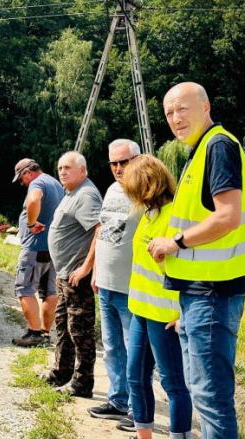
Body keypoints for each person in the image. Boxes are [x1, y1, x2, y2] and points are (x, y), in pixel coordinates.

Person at [148, 82, 245, 439]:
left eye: (182, 108)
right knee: (205, 394)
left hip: (212, 294)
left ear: (205, 107)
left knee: (211, 397)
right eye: (169, 112)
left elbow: (227, 217)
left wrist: (175, 242)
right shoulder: (200, 150)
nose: (175, 118)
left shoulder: (218, 146)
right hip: (198, 294)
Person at [123, 155, 193, 439]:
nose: (132, 196)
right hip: (141, 310)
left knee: (173, 384)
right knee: (136, 378)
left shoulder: (174, 216)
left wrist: (183, 314)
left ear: (147, 186)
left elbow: (188, 268)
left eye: (134, 189)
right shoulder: (149, 214)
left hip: (165, 315)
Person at [87, 139, 142, 429]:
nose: (119, 168)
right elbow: (102, 231)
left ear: (138, 159)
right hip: (106, 283)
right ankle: (118, 401)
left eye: (125, 161)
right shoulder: (110, 190)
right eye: (114, 163)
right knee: (111, 347)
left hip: (131, 286)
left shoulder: (147, 191)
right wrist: (95, 270)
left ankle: (137, 409)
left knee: (135, 350)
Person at [40, 151, 102, 397]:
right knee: (64, 327)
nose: (62, 172)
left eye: (67, 167)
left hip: (78, 278)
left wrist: (86, 268)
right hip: (65, 275)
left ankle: (82, 383)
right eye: (60, 168)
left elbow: (100, 230)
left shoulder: (86, 194)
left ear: (83, 170)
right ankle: (61, 373)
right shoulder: (71, 193)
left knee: (80, 331)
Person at [11, 158, 65, 347]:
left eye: (21, 179)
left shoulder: (38, 183)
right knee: (50, 292)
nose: (22, 183)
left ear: (28, 172)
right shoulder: (56, 183)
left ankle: (34, 334)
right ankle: (45, 333)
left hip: (35, 247)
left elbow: (34, 199)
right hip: (53, 248)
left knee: (24, 288)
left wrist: (31, 224)